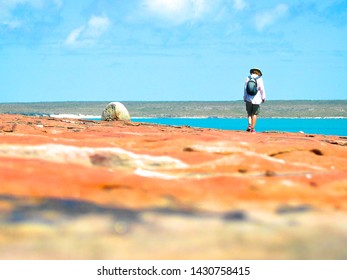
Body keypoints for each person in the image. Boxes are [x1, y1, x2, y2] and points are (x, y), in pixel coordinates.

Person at [243, 67, 266, 133]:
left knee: (249, 113)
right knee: (255, 114)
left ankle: (249, 125)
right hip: (257, 99)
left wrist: (244, 97)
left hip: (248, 98)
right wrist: (263, 97)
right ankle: (253, 128)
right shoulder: (260, 79)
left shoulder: (248, 78)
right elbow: (262, 89)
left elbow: (245, 89)